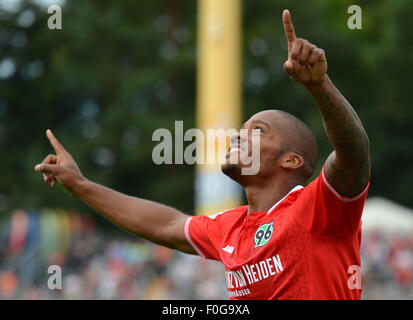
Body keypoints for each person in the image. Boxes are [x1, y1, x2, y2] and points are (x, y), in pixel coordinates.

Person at [35, 10, 370, 300]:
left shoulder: (318, 209)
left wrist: (319, 86)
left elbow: (354, 153)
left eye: (258, 131)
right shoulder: (231, 226)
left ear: (291, 161)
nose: (239, 134)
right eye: (241, 128)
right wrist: (80, 185)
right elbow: (166, 224)